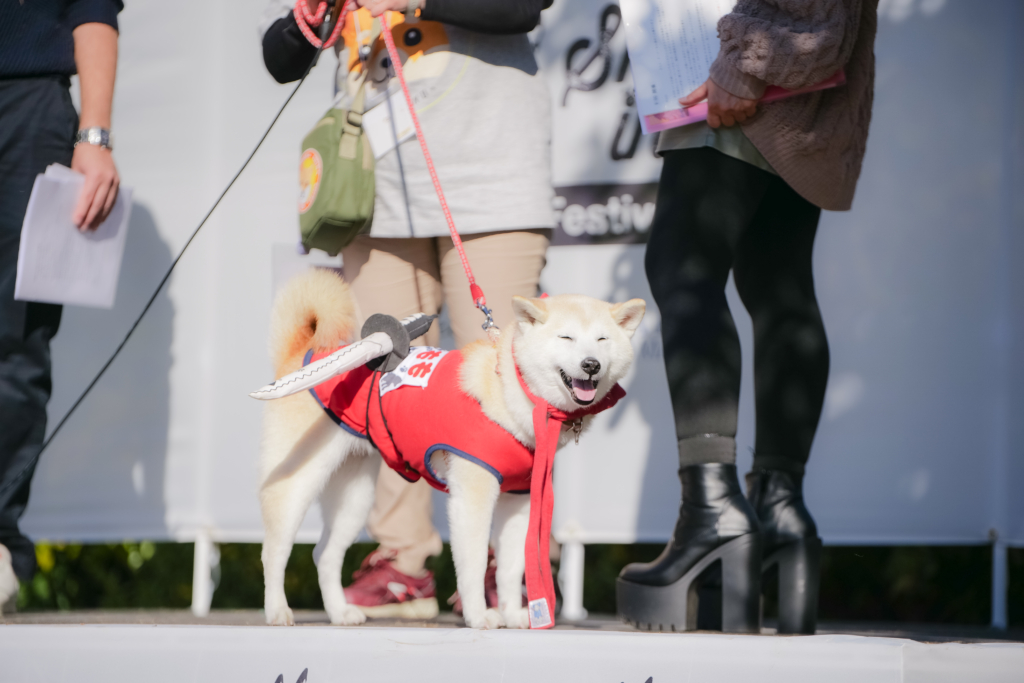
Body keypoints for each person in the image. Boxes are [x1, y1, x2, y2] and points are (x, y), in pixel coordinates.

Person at [260, 0, 554, 618]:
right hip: (373, 185)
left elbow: (525, 6)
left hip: (493, 167)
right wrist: (309, 16)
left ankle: (510, 568)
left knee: (508, 389)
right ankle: (402, 562)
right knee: (388, 389)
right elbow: (280, 55)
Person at [616, 0, 878, 634]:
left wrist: (745, 63)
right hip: (800, 94)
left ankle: (712, 512)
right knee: (779, 286)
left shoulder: (750, 62)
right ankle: (778, 506)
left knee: (684, 268)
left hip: (751, 71)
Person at [0, 0, 123, 615]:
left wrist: (93, 135)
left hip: (29, 104)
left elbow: (92, 7)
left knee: (15, 341)